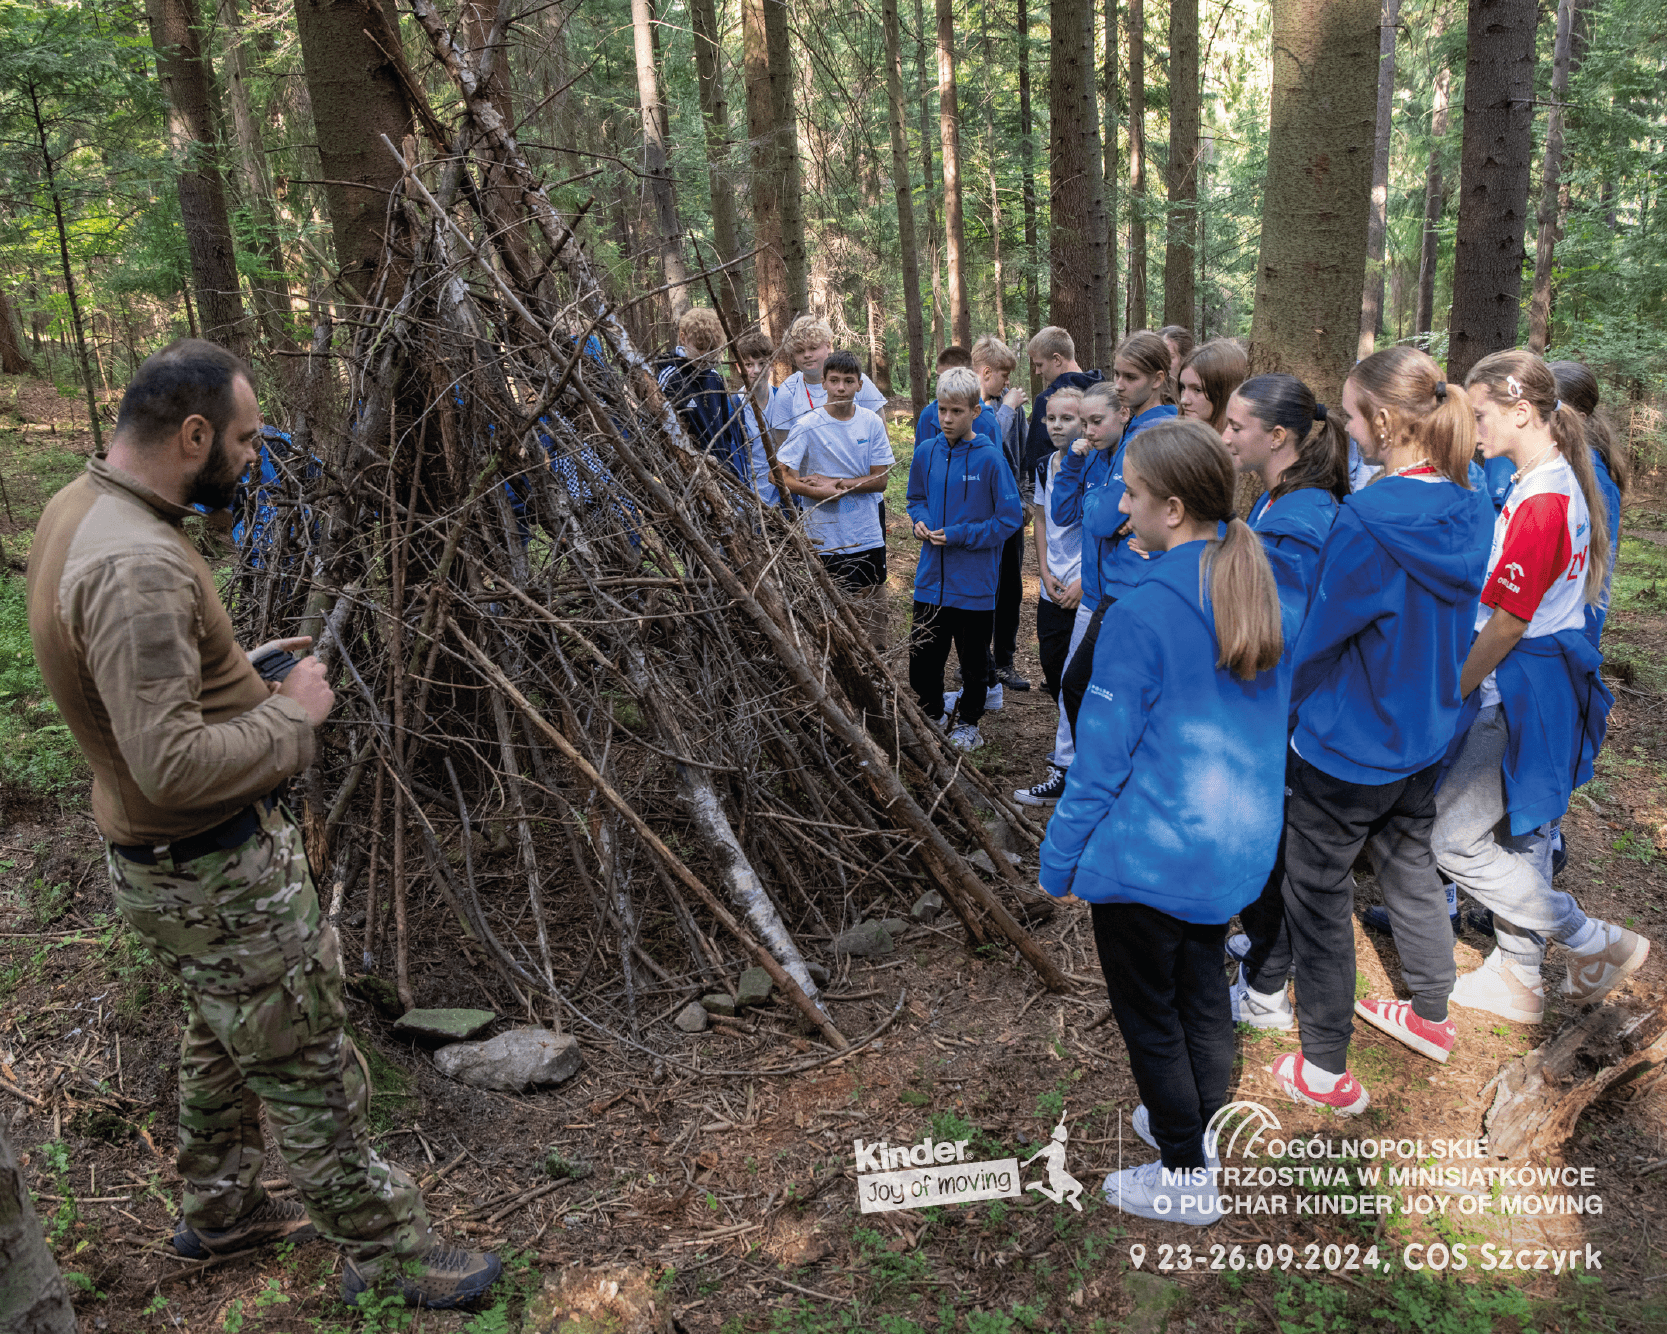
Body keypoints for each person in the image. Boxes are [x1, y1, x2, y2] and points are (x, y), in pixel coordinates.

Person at [24, 340, 499, 1309]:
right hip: (212, 866)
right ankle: (387, 1247)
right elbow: (170, 760)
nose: (251, 458)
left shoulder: (87, 508)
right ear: (192, 433)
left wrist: (239, 670)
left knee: (221, 1026)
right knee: (303, 1053)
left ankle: (223, 1204)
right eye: (242, 439)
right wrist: (293, 717)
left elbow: (142, 696)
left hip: (169, 871)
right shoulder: (138, 565)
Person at [1040, 419, 1288, 1226]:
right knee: (1200, 992)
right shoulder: (1251, 580)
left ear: (1172, 508)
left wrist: (1059, 859)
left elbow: (1099, 761)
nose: (1121, 503)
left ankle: (1185, 1172)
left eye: (1132, 493)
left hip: (1153, 853)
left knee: (1151, 1013)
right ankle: (1194, 1123)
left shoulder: (1143, 610)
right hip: (1232, 848)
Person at [1260, 346, 1492, 1114]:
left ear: (1386, 422)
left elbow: (1321, 633)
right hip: (1425, 732)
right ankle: (1430, 1013)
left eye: (1353, 414)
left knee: (1316, 895)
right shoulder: (1468, 504)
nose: (1345, 428)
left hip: (1347, 746)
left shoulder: (1366, 519)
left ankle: (1323, 1068)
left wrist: (1279, 706)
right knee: (1408, 867)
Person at [1435, 351, 1645, 1025]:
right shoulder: (1545, 479)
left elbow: (1507, 622)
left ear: (1521, 412)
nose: (1472, 432)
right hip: (1532, 681)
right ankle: (1520, 975)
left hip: (1519, 685)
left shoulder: (1544, 499)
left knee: (1456, 840)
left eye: (1480, 416)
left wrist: (1453, 688)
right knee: (1518, 827)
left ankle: (1587, 937)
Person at [1212, 374, 1353, 1010]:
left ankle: (1268, 981)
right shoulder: (1277, 500)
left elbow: (1284, 636)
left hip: (1283, 710)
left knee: (1273, 852)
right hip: (1272, 706)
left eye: (1236, 427)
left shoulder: (1299, 518)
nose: (1225, 435)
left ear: (1277, 437)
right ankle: (1269, 949)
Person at [1057, 332, 1179, 741]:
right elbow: (1091, 515)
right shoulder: (1125, 436)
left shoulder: (1153, 432)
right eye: (1117, 375)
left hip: (1134, 583)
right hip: (1114, 583)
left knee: (1086, 687)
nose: (1121, 386)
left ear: (1159, 378)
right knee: (1088, 688)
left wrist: (1111, 508)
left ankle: (1106, 781)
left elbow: (1103, 518)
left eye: (1131, 377)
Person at [906, 366, 1023, 752]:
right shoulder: (926, 452)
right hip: (929, 583)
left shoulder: (990, 459)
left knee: (974, 663)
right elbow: (915, 499)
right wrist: (921, 523)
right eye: (942, 410)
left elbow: (1009, 519)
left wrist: (959, 536)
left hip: (974, 584)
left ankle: (970, 723)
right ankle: (934, 714)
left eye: (956, 411)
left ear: (975, 411)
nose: (947, 419)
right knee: (922, 662)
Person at [777, 349, 895, 649]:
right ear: (824, 384)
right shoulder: (808, 425)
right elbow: (778, 475)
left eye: (848, 381)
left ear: (859, 384)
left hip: (866, 532)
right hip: (824, 536)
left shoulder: (870, 423)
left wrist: (836, 483)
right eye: (834, 380)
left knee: (871, 603)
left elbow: (880, 480)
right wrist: (814, 491)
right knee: (834, 608)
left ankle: (878, 662)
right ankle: (839, 665)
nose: (841, 388)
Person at [1013, 387, 1086, 806]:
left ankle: (1069, 765)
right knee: (1054, 668)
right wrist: (1041, 569)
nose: (1057, 425)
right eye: (1051, 418)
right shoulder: (1045, 466)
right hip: (1051, 582)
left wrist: (1086, 581)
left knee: (1079, 677)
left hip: (1084, 587)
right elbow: (1041, 520)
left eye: (1067, 418)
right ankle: (1072, 751)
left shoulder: (1093, 467)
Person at [1551, 360, 1627, 647]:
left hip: (1571, 637)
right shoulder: (1552, 467)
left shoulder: (1595, 482)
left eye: (1548, 408)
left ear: (1579, 417)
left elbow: (1597, 571)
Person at [974, 335, 1032, 694]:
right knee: (982, 589)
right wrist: (1006, 409)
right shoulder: (968, 406)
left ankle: (1005, 661)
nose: (1008, 383)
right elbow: (987, 441)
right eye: (1003, 375)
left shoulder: (1014, 408)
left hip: (1011, 514)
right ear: (986, 372)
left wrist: (1025, 501)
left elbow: (1022, 458)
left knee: (1009, 589)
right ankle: (976, 661)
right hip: (979, 513)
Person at [656, 308, 752, 484]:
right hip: (686, 478)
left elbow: (725, 431)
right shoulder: (668, 378)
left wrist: (729, 469)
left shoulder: (714, 378)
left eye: (712, 349)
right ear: (683, 338)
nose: (706, 355)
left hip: (722, 475)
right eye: (700, 348)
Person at [766, 315, 888, 446]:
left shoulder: (854, 379)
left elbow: (881, 434)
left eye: (813, 348)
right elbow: (783, 446)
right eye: (800, 350)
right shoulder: (789, 391)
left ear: (828, 346)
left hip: (858, 464)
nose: (807, 355)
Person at [1019, 326, 1105, 491]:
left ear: (1057, 359)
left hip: (1060, 489)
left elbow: (1037, 455)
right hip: (1100, 488)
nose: (1037, 372)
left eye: (1039, 364)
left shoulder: (1049, 400)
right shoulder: (1104, 393)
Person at [731, 329, 781, 507]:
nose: (756, 370)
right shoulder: (732, 407)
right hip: (744, 502)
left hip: (781, 500)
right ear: (739, 367)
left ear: (772, 364)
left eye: (762, 363)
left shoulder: (783, 401)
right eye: (749, 364)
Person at [1175, 339, 1248, 436]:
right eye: (1183, 387)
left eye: (1197, 390)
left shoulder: (1240, 448)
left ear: (1226, 392)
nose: (1184, 400)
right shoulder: (1175, 438)